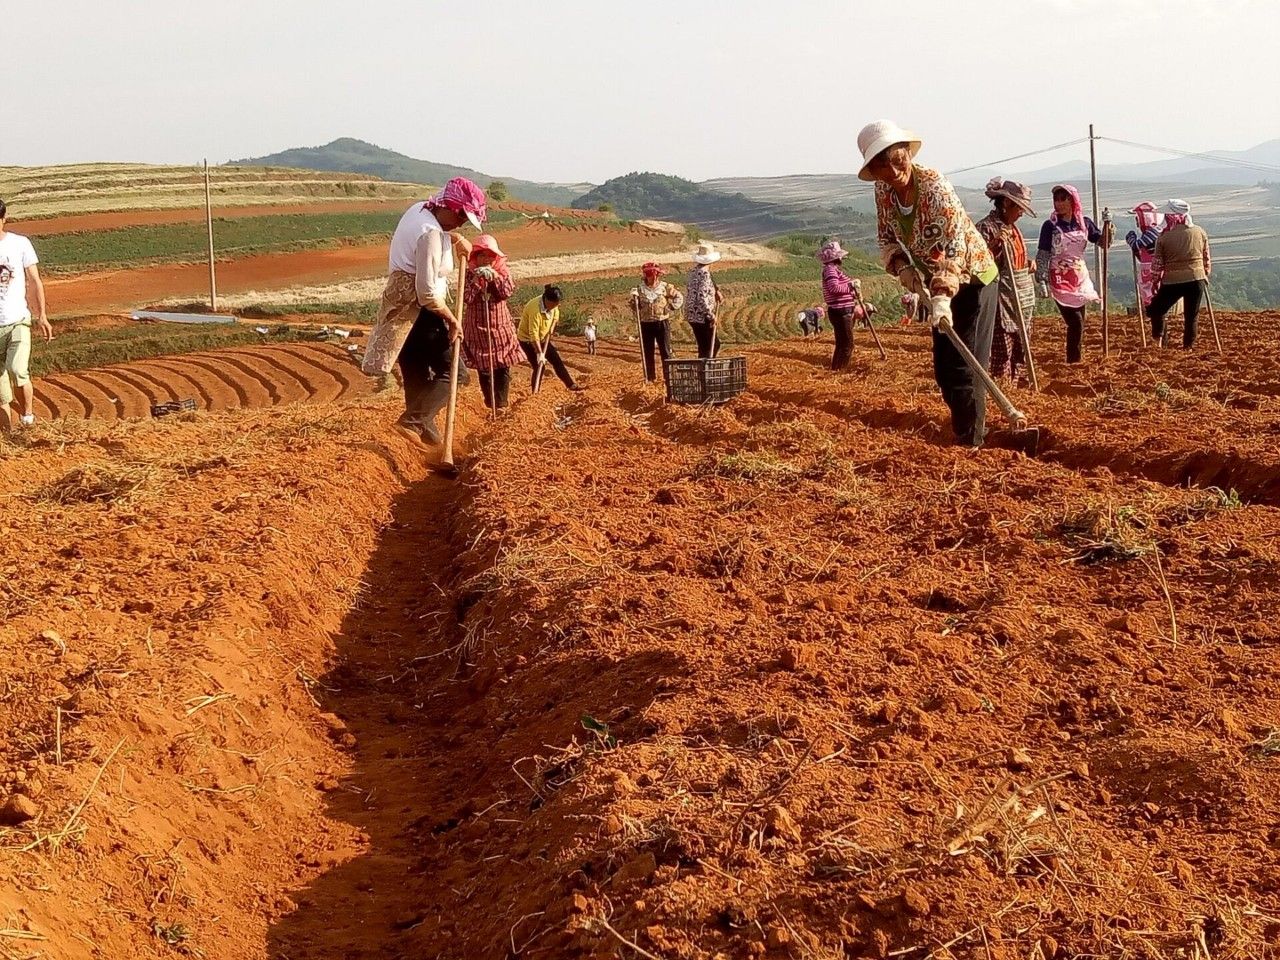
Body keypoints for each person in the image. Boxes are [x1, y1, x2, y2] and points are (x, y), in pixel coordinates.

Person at [859, 120, 998, 447]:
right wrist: (902, 268)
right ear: (874, 170)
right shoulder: (883, 191)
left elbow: (954, 247)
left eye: (898, 160)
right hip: (935, 283)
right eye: (882, 166)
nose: (893, 171)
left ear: (907, 154)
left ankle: (971, 442)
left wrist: (942, 298)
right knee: (944, 370)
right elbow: (886, 238)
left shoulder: (935, 186)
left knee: (965, 367)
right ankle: (968, 430)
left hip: (973, 278)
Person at [363, 178, 487, 443]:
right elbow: (427, 293)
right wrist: (453, 320)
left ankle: (430, 446)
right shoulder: (430, 234)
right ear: (450, 207)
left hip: (402, 310)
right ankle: (412, 422)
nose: (461, 222)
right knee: (455, 374)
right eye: (461, 217)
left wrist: (456, 238)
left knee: (417, 380)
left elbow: (431, 234)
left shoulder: (419, 210)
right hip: (422, 313)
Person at [1035, 184, 1106, 363]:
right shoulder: (1049, 226)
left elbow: (1104, 243)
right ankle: (1074, 361)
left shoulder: (1084, 223)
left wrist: (1108, 226)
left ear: (1072, 201)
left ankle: (1076, 358)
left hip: (1079, 277)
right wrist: (1042, 280)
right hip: (1060, 277)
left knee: (1080, 321)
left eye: (1063, 199)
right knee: (1075, 322)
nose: (1058, 204)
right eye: (1056, 200)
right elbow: (1043, 254)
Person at [976, 178, 1037, 382]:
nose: (1020, 213)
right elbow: (978, 263)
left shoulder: (1014, 229)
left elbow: (1015, 257)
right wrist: (994, 245)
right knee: (1003, 351)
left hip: (1021, 296)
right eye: (1018, 207)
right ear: (1005, 204)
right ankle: (1002, 388)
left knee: (1021, 349)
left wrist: (1027, 263)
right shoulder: (986, 228)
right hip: (1000, 298)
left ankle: (1017, 387)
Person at [0, 200, 52, 429]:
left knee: (17, 369)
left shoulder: (20, 244)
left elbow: (34, 281)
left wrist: (42, 315)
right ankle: (11, 438)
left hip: (18, 320)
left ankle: (28, 417)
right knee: (1, 395)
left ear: (4, 219)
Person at [462, 233, 524, 412]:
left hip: (500, 327)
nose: (486, 259)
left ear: (495, 257)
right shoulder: (468, 274)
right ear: (475, 257)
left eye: (489, 255)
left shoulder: (503, 272)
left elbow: (506, 293)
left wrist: (495, 277)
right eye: (481, 255)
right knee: (484, 369)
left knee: (502, 366)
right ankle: (491, 404)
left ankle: (502, 403)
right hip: (477, 329)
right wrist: (475, 281)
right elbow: (467, 298)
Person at [1148, 199, 1212, 349]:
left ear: (1171, 216)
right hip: (1197, 278)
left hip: (1172, 281)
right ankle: (1188, 347)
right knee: (1191, 316)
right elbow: (1206, 258)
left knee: (1155, 310)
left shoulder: (1164, 237)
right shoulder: (1199, 232)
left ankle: (1157, 343)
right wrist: (1205, 274)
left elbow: (1157, 265)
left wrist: (1155, 282)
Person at [518, 285, 583, 391]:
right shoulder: (535, 310)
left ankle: (571, 385)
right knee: (539, 366)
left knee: (557, 361)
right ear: (547, 300)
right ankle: (535, 393)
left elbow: (555, 316)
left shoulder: (553, 305)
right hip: (528, 340)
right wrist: (539, 353)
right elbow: (533, 334)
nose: (556, 306)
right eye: (554, 304)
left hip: (543, 338)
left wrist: (551, 328)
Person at [818, 240, 868, 370]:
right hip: (841, 312)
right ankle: (839, 371)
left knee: (841, 344)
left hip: (841, 311)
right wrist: (851, 285)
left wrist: (852, 291)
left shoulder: (832, 270)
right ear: (836, 257)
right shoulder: (830, 270)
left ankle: (835, 369)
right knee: (847, 345)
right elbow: (834, 288)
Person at [629, 262, 684, 381]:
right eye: (649, 275)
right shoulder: (639, 289)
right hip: (645, 324)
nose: (652, 278)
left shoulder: (665, 287)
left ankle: (668, 378)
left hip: (661, 323)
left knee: (665, 351)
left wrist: (671, 307)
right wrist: (635, 303)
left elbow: (679, 297)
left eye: (654, 275)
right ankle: (650, 378)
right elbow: (633, 306)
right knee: (648, 352)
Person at [685, 242, 724, 359]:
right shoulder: (705, 274)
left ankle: (703, 371)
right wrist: (711, 315)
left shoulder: (694, 272)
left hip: (692, 314)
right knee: (712, 345)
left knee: (703, 346)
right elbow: (701, 297)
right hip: (702, 316)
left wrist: (716, 290)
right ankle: (706, 371)